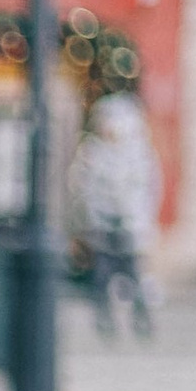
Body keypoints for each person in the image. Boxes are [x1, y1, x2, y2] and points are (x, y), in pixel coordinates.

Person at [70, 87, 161, 338]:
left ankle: (142, 320)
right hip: (102, 226)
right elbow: (81, 188)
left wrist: (139, 218)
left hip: (129, 225)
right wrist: (89, 218)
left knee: (134, 276)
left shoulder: (139, 153)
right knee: (101, 278)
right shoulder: (92, 152)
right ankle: (105, 321)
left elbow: (149, 188)